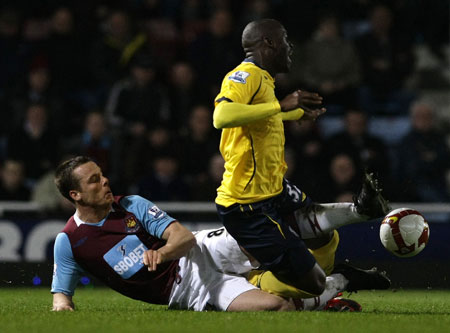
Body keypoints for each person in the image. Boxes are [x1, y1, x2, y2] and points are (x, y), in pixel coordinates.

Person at [51, 156, 388, 312]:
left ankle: (359, 210)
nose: (104, 181)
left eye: (101, 175)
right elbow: (61, 295)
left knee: (276, 227)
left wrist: (163, 253)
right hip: (186, 293)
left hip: (200, 251)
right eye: (94, 180)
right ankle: (341, 281)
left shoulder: (131, 204)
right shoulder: (70, 242)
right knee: (276, 308)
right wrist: (63, 307)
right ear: (75, 196)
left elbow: (181, 238)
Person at [213, 19, 390, 299]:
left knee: (325, 237)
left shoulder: (264, 79)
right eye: (284, 39)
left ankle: (360, 210)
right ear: (268, 43)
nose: (290, 46)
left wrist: (291, 114)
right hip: (247, 204)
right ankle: (266, 281)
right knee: (314, 286)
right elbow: (221, 117)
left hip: (273, 189)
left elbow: (257, 122)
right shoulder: (246, 75)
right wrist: (281, 105)